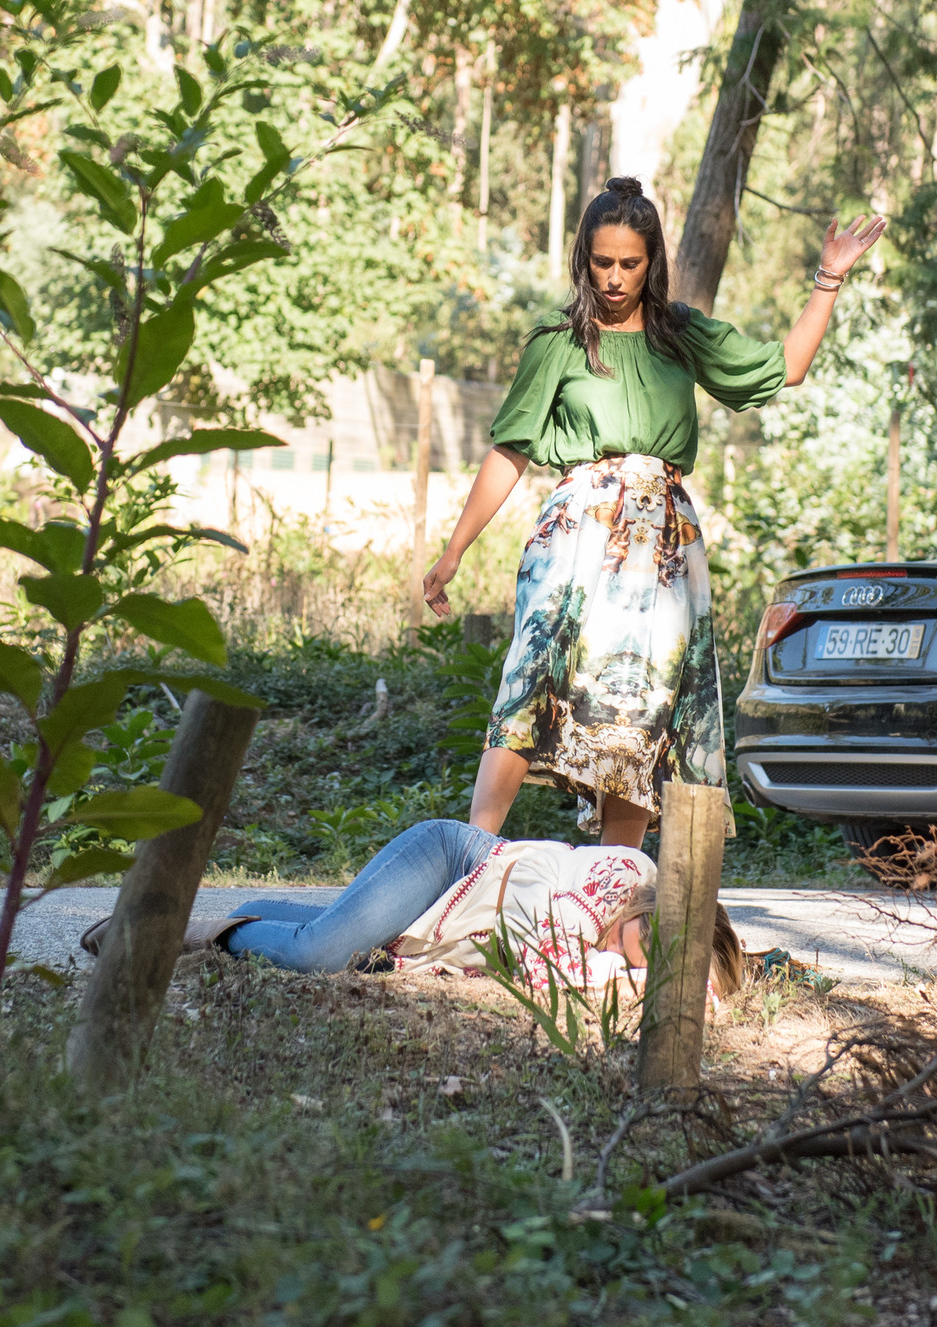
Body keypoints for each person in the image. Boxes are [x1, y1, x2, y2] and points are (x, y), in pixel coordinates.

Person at [420, 176, 888, 845]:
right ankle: (469, 859)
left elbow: (785, 367)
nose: (614, 278)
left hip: (661, 546)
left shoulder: (681, 334)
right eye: (601, 263)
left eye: (629, 264)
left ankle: (614, 894)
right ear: (584, 260)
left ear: (652, 262)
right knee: (531, 683)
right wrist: (453, 549)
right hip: (579, 530)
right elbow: (509, 449)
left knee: (638, 713)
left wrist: (828, 279)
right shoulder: (557, 341)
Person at [78, 819, 747, 997]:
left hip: (442, 922)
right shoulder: (622, 876)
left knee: (315, 933)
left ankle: (252, 915)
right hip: (451, 864)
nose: (631, 960)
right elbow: (542, 955)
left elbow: (705, 997)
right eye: (642, 943)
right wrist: (617, 975)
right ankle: (171, 933)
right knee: (317, 954)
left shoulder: (627, 945)